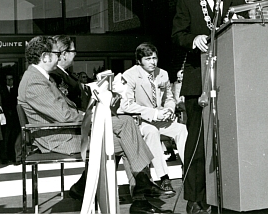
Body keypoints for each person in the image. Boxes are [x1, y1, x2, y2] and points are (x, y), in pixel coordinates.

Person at [18, 36, 170, 214]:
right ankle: (141, 193)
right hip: (59, 137)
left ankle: (141, 191)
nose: (59, 57)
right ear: (45, 56)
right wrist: (96, 113)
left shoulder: (41, 77)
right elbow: (65, 115)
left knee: (128, 131)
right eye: (56, 53)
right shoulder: (35, 81)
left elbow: (65, 111)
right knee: (128, 130)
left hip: (68, 130)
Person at [171, 0, 247, 214]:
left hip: (230, 82)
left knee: (229, 142)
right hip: (197, 82)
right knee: (198, 143)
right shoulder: (187, 2)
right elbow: (177, 35)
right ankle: (195, 199)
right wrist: (193, 40)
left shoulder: (238, 3)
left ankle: (229, 196)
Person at [121, 42, 188, 194]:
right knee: (152, 132)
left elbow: (169, 97)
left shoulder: (162, 74)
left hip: (161, 117)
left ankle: (189, 170)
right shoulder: (129, 75)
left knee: (181, 130)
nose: (152, 62)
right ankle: (164, 177)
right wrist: (154, 113)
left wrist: (170, 109)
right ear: (139, 61)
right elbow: (127, 105)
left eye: (154, 58)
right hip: (140, 121)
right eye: (148, 59)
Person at [49, 35, 83, 109]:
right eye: (74, 51)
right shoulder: (54, 76)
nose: (75, 54)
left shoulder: (64, 74)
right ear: (64, 54)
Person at [0, 73, 21, 165]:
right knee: (5, 138)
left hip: (15, 118)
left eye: (11, 79)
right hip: (6, 118)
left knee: (14, 138)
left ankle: (13, 156)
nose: (9, 81)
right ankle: (4, 157)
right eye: (7, 79)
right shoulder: (1, 90)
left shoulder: (17, 89)